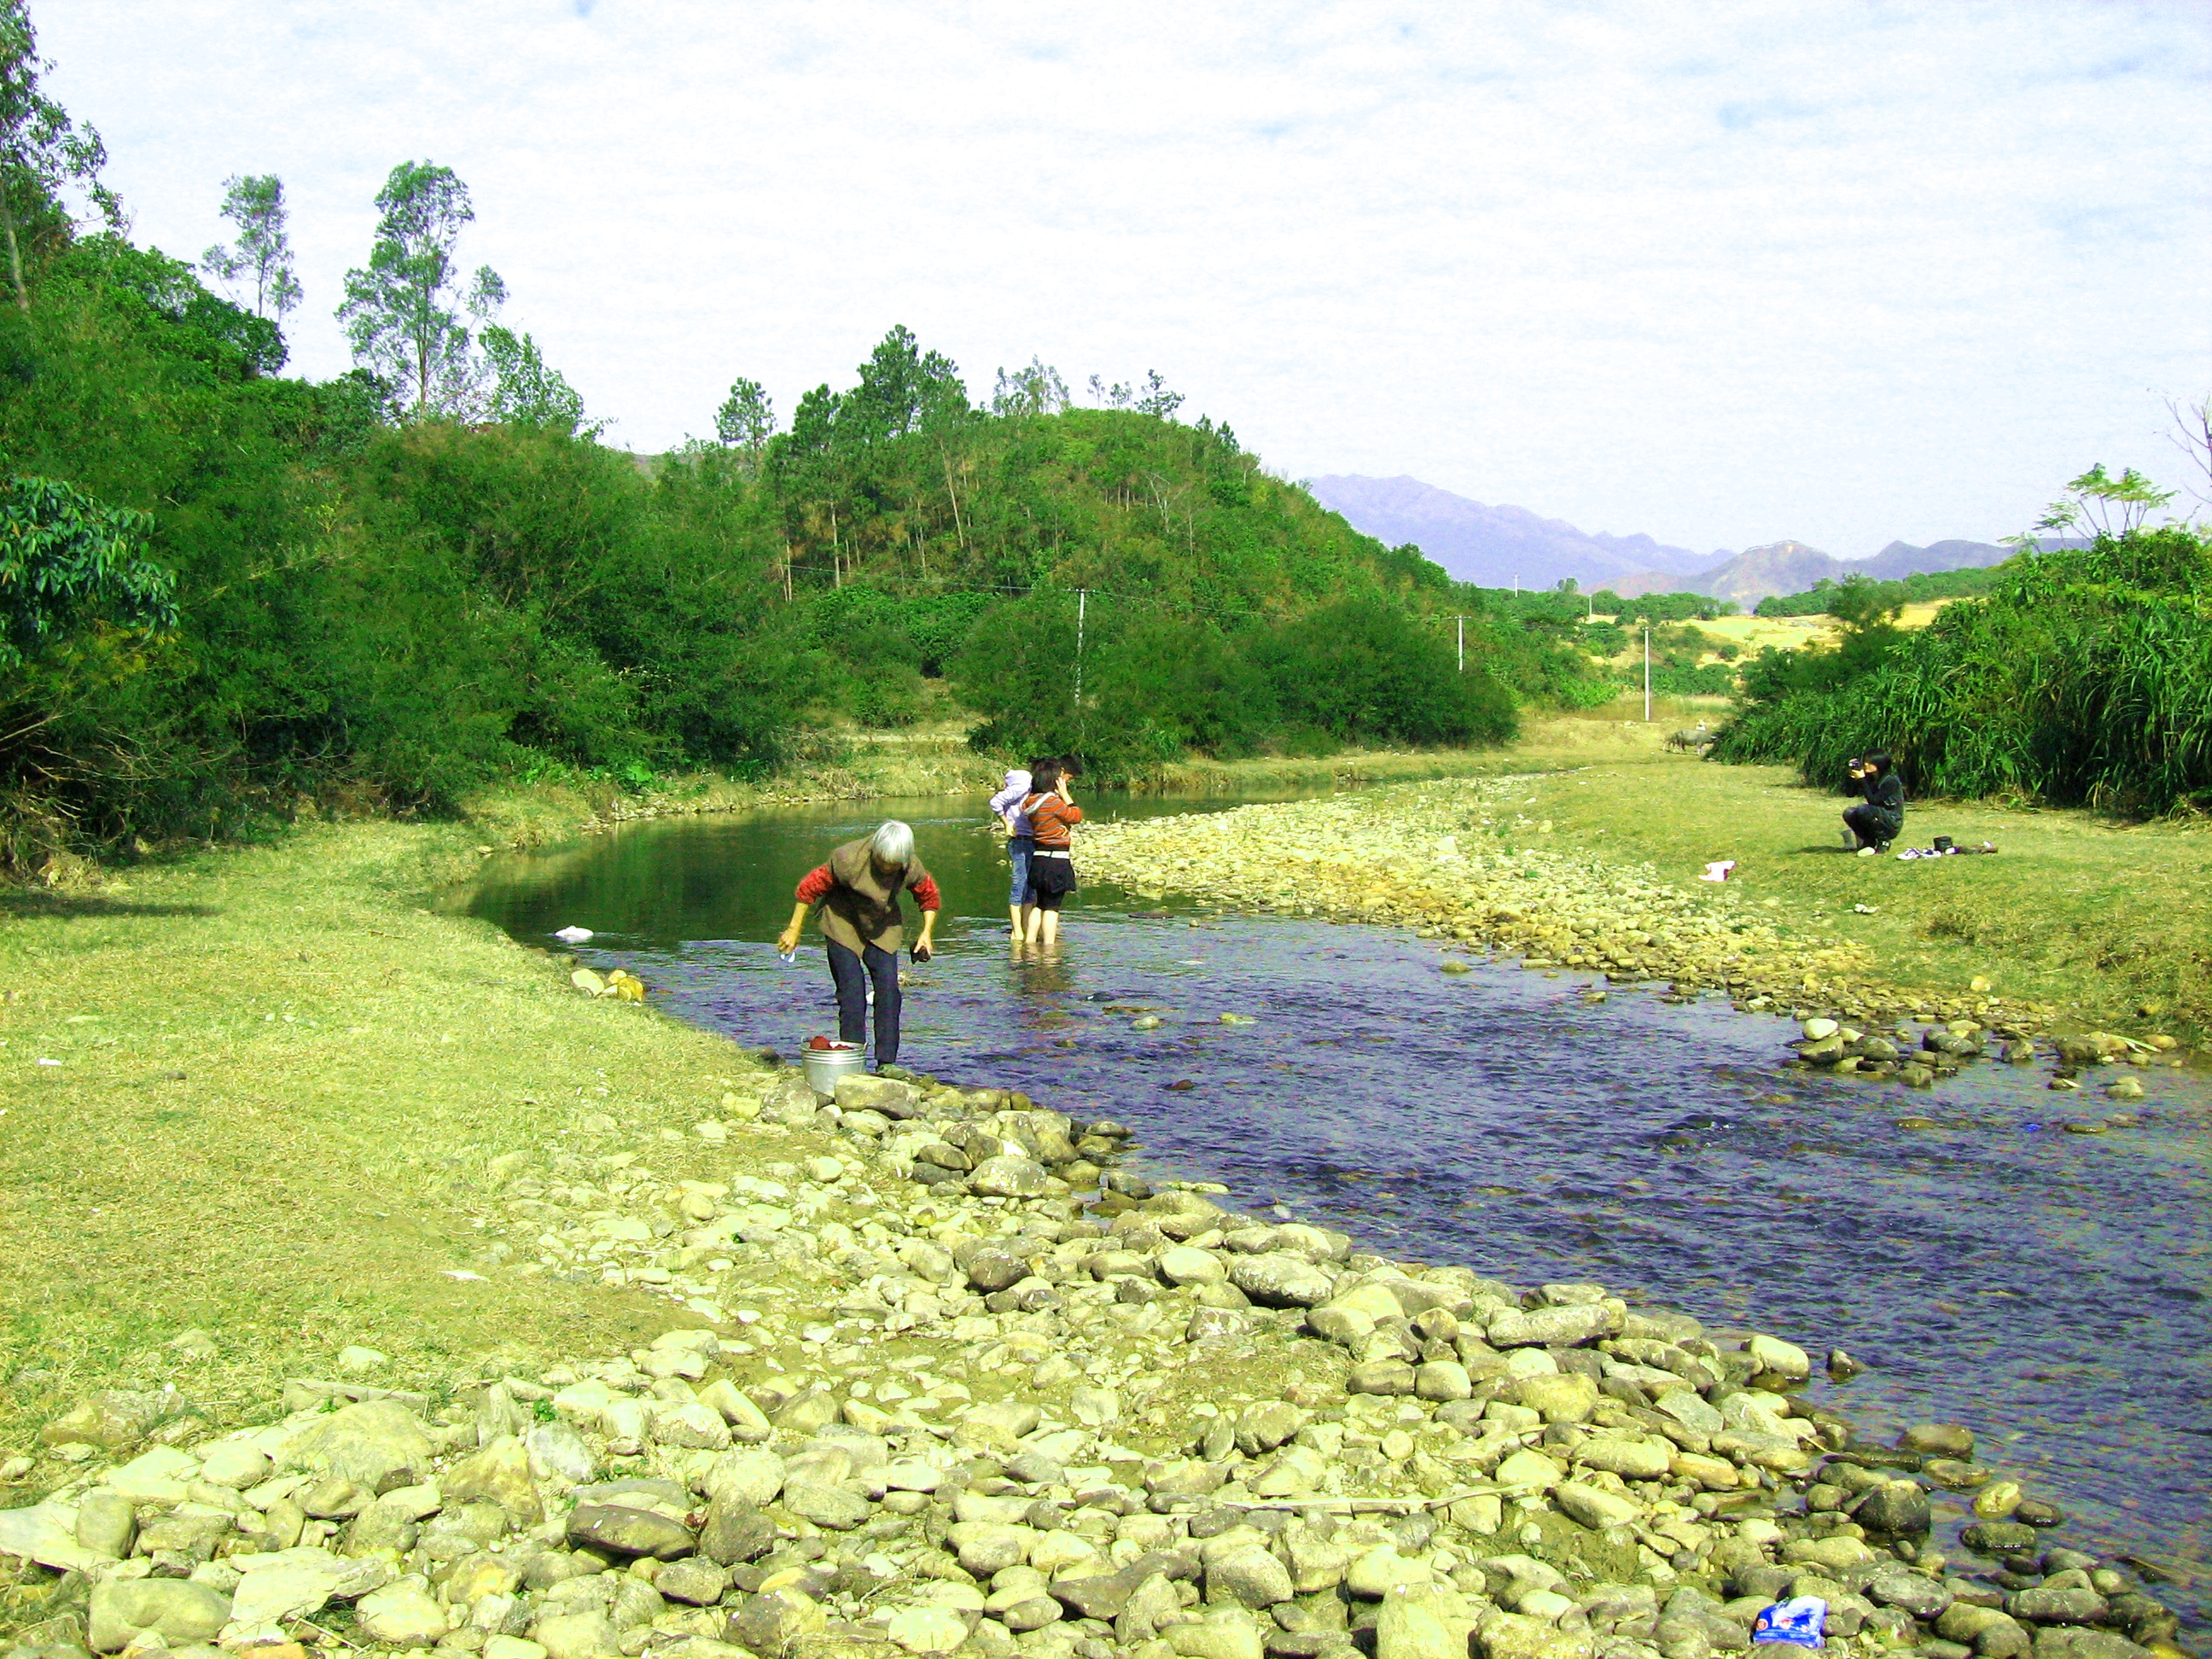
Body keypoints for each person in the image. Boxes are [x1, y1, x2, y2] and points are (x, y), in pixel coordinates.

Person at [777, 821, 940, 1069]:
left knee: (889, 993)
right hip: (842, 924)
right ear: (875, 850)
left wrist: (926, 933)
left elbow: (928, 897)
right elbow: (807, 889)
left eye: (893, 864)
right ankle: (853, 1061)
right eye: (883, 861)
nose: (887, 867)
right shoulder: (847, 858)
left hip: (882, 927)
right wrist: (793, 929)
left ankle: (887, 1063)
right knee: (852, 996)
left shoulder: (910, 866)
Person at [988, 756, 1054, 936]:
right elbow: (995, 802)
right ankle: (1017, 931)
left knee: (1031, 886)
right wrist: (1007, 823)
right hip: (1021, 841)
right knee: (1020, 884)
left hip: (1033, 840)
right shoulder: (1022, 786)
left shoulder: (1033, 788)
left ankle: (1025, 928)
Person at [1022, 760, 1084, 946]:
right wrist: (1066, 795)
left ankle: (1029, 942)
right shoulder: (1053, 803)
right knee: (1052, 907)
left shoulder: (1030, 802)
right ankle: (1049, 947)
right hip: (1056, 860)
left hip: (1038, 858)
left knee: (1039, 903)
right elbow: (1076, 816)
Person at [1843, 752, 1904, 853]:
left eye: (1869, 762)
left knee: (1863, 809)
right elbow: (1850, 794)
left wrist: (1862, 780)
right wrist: (1851, 776)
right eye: (1865, 761)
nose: (1865, 764)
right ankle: (1869, 841)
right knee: (1849, 813)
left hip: (1892, 822)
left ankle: (1884, 840)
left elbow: (1874, 801)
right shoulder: (1870, 778)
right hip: (1876, 816)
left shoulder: (1891, 781)